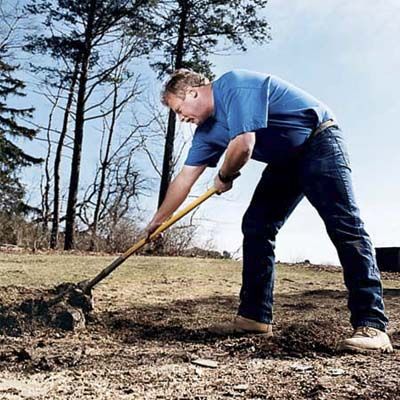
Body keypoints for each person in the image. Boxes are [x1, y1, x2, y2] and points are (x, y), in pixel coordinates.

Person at [145, 68, 392, 353]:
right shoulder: (206, 132)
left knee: (345, 226)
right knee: (257, 226)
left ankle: (372, 325)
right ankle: (254, 317)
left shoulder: (233, 86)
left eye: (179, 109)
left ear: (192, 92)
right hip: (285, 161)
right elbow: (184, 179)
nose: (181, 118)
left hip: (319, 140)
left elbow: (243, 145)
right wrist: (158, 220)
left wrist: (224, 176)